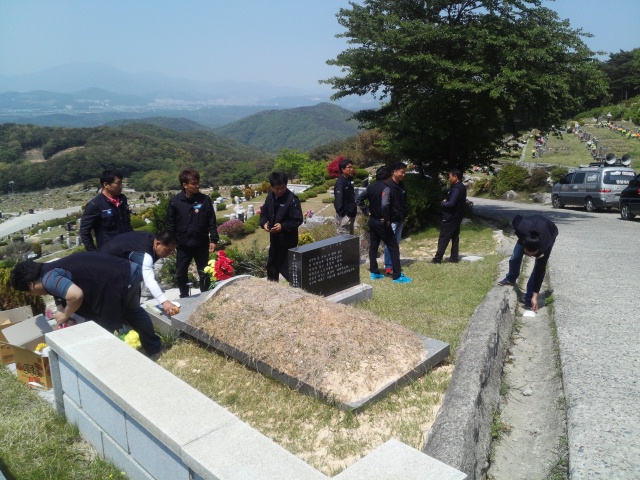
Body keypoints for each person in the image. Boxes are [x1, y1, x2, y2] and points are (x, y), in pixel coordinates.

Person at [10, 252, 162, 356]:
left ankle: (111, 360)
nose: (33, 295)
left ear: (31, 284)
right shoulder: (47, 270)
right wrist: (62, 311)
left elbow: (75, 295)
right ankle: (154, 348)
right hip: (127, 271)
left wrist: (66, 314)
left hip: (118, 280)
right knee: (133, 312)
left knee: (104, 326)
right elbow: (60, 293)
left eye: (29, 292)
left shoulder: (48, 279)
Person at [165, 169, 219, 298]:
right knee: (180, 272)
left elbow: (211, 221)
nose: (197, 186)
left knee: (204, 272)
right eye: (194, 183)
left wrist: (214, 239)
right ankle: (184, 296)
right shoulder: (175, 201)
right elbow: (170, 224)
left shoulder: (204, 200)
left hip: (201, 243)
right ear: (185, 185)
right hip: (183, 244)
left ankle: (205, 295)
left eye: (198, 183)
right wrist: (170, 243)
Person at [101, 230, 179, 316]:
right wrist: (164, 301)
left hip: (115, 261)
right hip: (106, 266)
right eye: (167, 250)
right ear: (157, 244)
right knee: (122, 305)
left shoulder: (152, 240)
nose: (169, 254)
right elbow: (149, 280)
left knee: (134, 283)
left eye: (172, 251)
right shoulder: (145, 254)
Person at [357, 166, 412, 284]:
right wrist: (387, 218)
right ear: (387, 177)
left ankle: (374, 272)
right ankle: (397, 276)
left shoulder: (371, 186)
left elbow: (359, 199)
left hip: (372, 220)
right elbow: (384, 205)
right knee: (393, 247)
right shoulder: (386, 188)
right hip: (382, 222)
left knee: (373, 246)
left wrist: (366, 211)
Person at [498, 215, 558, 312]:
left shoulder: (545, 247)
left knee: (537, 270)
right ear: (524, 245)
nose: (530, 256)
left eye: (533, 254)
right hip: (529, 227)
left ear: (538, 250)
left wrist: (535, 296)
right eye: (527, 253)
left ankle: (529, 299)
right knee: (515, 257)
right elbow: (517, 218)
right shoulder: (521, 230)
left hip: (549, 230)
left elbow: (540, 272)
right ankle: (510, 278)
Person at [259, 172, 304, 282]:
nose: (280, 191)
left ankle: (298, 288)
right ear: (272, 187)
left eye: (282, 188)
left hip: (288, 241)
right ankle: (272, 288)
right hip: (274, 240)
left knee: (288, 269)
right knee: (272, 267)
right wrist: (264, 224)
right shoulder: (270, 197)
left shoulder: (292, 199)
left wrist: (282, 227)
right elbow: (263, 213)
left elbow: (297, 220)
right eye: (277, 188)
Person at [80, 170, 133, 251]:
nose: (121, 186)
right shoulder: (95, 204)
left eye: (121, 183)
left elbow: (127, 223)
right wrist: (93, 252)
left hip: (128, 246)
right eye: (118, 183)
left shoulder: (122, 199)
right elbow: (84, 231)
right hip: (110, 251)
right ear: (106, 185)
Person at [432, 168, 467, 264]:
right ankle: (454, 258)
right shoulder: (462, 187)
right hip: (457, 216)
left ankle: (437, 259)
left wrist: (443, 203)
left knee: (444, 237)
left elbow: (451, 203)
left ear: (455, 177)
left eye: (450, 177)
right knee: (455, 237)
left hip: (450, 217)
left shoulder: (456, 188)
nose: (449, 179)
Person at [383, 162, 408, 276]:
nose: (403, 174)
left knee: (396, 243)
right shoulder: (388, 185)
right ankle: (388, 266)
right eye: (402, 172)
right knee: (389, 243)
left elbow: (404, 201)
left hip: (400, 218)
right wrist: (387, 218)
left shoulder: (401, 185)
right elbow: (385, 204)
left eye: (404, 172)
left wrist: (405, 212)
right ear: (395, 171)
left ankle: (394, 263)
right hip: (391, 220)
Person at [334, 158, 357, 235]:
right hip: (345, 216)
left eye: (352, 167)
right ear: (343, 169)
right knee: (344, 238)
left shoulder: (349, 179)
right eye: (349, 167)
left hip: (351, 214)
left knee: (350, 238)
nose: (351, 169)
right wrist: (343, 214)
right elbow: (338, 200)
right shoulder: (340, 183)